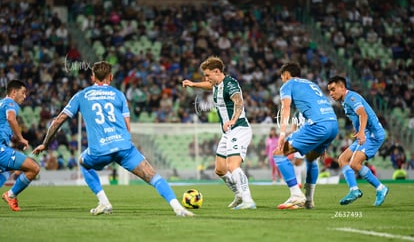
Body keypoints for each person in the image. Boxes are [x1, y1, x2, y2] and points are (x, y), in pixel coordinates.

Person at [32, 61, 194, 217]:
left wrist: (45, 144)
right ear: (110, 77)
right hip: (124, 147)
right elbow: (127, 126)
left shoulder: (81, 95)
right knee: (154, 177)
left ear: (92, 77)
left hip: (100, 151)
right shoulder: (119, 95)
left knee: (83, 163)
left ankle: (104, 202)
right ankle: (178, 208)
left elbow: (58, 121)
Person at [182, 56, 256, 210]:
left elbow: (239, 101)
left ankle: (248, 200)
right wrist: (193, 84)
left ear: (217, 72)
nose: (206, 78)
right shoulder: (217, 84)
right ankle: (239, 194)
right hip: (228, 132)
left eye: (208, 75)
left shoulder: (230, 84)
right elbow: (209, 86)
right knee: (220, 169)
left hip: (239, 128)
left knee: (233, 165)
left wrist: (234, 119)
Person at [273, 62, 338, 209]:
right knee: (311, 159)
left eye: (282, 77)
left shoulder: (288, 84)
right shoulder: (311, 84)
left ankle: (296, 194)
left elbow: (285, 108)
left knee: (278, 153)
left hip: (317, 125)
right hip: (332, 124)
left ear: (286, 75)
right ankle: (308, 200)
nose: (282, 80)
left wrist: (282, 133)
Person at [327, 75, 389, 207]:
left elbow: (363, 114)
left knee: (355, 163)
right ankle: (354, 190)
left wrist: (361, 132)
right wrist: (359, 129)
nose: (331, 93)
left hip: (373, 134)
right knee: (342, 159)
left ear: (342, 87)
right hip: (365, 132)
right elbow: (358, 116)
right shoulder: (345, 100)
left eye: (333, 89)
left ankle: (380, 188)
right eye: (329, 91)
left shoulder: (351, 97)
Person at [0, 79, 41, 211]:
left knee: (7, 169)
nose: (25, 96)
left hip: (3, 146)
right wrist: (21, 138)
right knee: (34, 168)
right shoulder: (10, 103)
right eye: (22, 93)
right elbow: (11, 118)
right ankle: (11, 195)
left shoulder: (1, 103)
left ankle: (10, 195)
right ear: (13, 92)